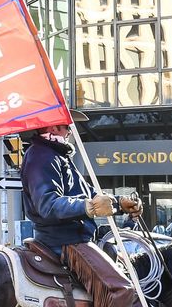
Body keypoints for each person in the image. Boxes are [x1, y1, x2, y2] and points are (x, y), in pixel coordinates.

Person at [20, 110, 145, 307]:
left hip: (75, 237)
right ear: (53, 126)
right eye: (67, 126)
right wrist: (90, 207)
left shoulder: (57, 154)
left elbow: (90, 193)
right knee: (122, 291)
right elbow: (48, 204)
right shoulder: (41, 156)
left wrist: (119, 202)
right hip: (66, 241)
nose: (70, 131)